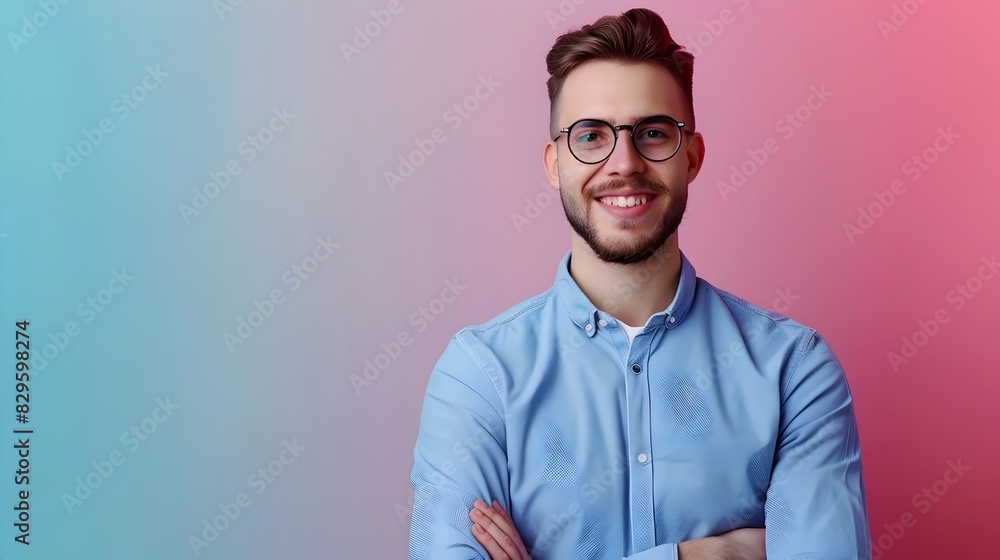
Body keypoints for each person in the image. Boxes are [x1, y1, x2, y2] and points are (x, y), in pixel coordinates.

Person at [408, 8, 870, 559]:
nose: (623, 163)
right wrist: (708, 555)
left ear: (693, 157)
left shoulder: (794, 370)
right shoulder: (479, 376)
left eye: (653, 133)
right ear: (555, 164)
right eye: (591, 136)